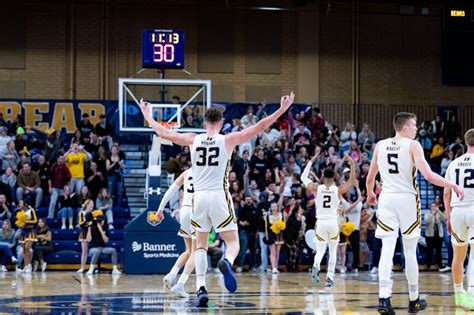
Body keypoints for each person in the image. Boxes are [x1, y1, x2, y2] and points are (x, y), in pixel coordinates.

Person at [140, 92, 294, 307]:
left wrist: (147, 115)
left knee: (200, 247)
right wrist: (281, 109)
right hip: (219, 195)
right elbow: (258, 127)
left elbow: (163, 132)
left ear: (204, 123)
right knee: (232, 242)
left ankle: (201, 288)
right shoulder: (228, 139)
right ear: (221, 123)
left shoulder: (194, 139)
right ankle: (227, 261)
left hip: (198, 199)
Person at [366, 112, 464, 314]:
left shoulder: (380, 145)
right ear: (404, 127)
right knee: (410, 250)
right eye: (414, 125)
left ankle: (384, 298)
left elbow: (369, 178)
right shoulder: (413, 145)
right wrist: (451, 184)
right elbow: (428, 175)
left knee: (387, 248)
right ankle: (414, 299)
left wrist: (370, 194)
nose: (416, 129)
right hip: (407, 199)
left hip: (386, 199)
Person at [302, 149, 356, 287]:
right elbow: (351, 182)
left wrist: (311, 161)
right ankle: (329, 278)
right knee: (332, 251)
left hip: (320, 223)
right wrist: (353, 165)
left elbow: (303, 177)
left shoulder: (316, 187)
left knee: (320, 251)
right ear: (334, 178)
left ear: (323, 176)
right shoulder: (338, 190)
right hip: (333, 222)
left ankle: (316, 265)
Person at [444, 128, 474, 310]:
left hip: (457, 211)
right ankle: (471, 294)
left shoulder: (453, 163)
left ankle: (458, 294)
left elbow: (446, 193)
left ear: (466, 142)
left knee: (458, 256)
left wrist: (448, 216)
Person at [158, 168, 195, 298]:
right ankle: (180, 284)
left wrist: (160, 209)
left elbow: (170, 190)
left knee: (189, 250)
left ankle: (172, 274)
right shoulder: (207, 170)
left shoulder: (186, 172)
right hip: (196, 210)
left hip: (184, 210)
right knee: (198, 251)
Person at [16, 201, 38, 273]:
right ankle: (25, 266)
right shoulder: (20, 211)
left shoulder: (31, 210)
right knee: (24, 249)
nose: (19, 204)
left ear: (25, 204)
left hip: (30, 230)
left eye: (20, 203)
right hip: (23, 231)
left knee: (27, 248)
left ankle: (29, 265)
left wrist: (25, 221)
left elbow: (35, 221)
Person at [424, 203, 446, 271]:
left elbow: (444, 220)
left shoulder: (439, 214)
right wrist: (432, 214)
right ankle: (428, 265)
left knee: (438, 251)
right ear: (430, 207)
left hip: (439, 235)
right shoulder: (427, 214)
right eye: (432, 206)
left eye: (435, 206)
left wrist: (439, 211)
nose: (434, 207)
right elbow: (427, 221)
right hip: (430, 235)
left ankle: (439, 265)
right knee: (430, 251)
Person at [77, 199, 94, 273]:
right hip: (84, 232)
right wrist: (87, 221)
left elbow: (95, 222)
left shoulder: (93, 213)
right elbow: (80, 223)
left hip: (92, 232)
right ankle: (82, 267)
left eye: (93, 204)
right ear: (87, 204)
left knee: (93, 251)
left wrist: (91, 222)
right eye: (91, 203)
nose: (92, 205)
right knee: (84, 251)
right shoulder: (81, 213)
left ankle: (92, 267)